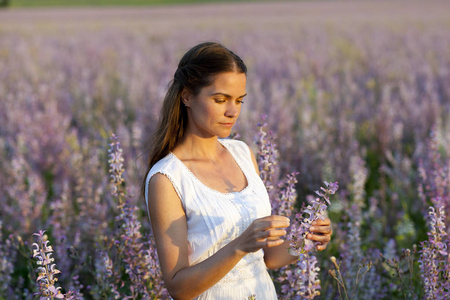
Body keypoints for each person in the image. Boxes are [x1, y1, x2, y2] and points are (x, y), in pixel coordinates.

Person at [142, 42, 332, 300]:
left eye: (239, 100)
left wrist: (306, 239)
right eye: (220, 99)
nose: (232, 111)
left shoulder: (242, 153)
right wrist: (239, 245)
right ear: (187, 96)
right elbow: (179, 288)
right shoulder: (166, 178)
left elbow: (268, 258)